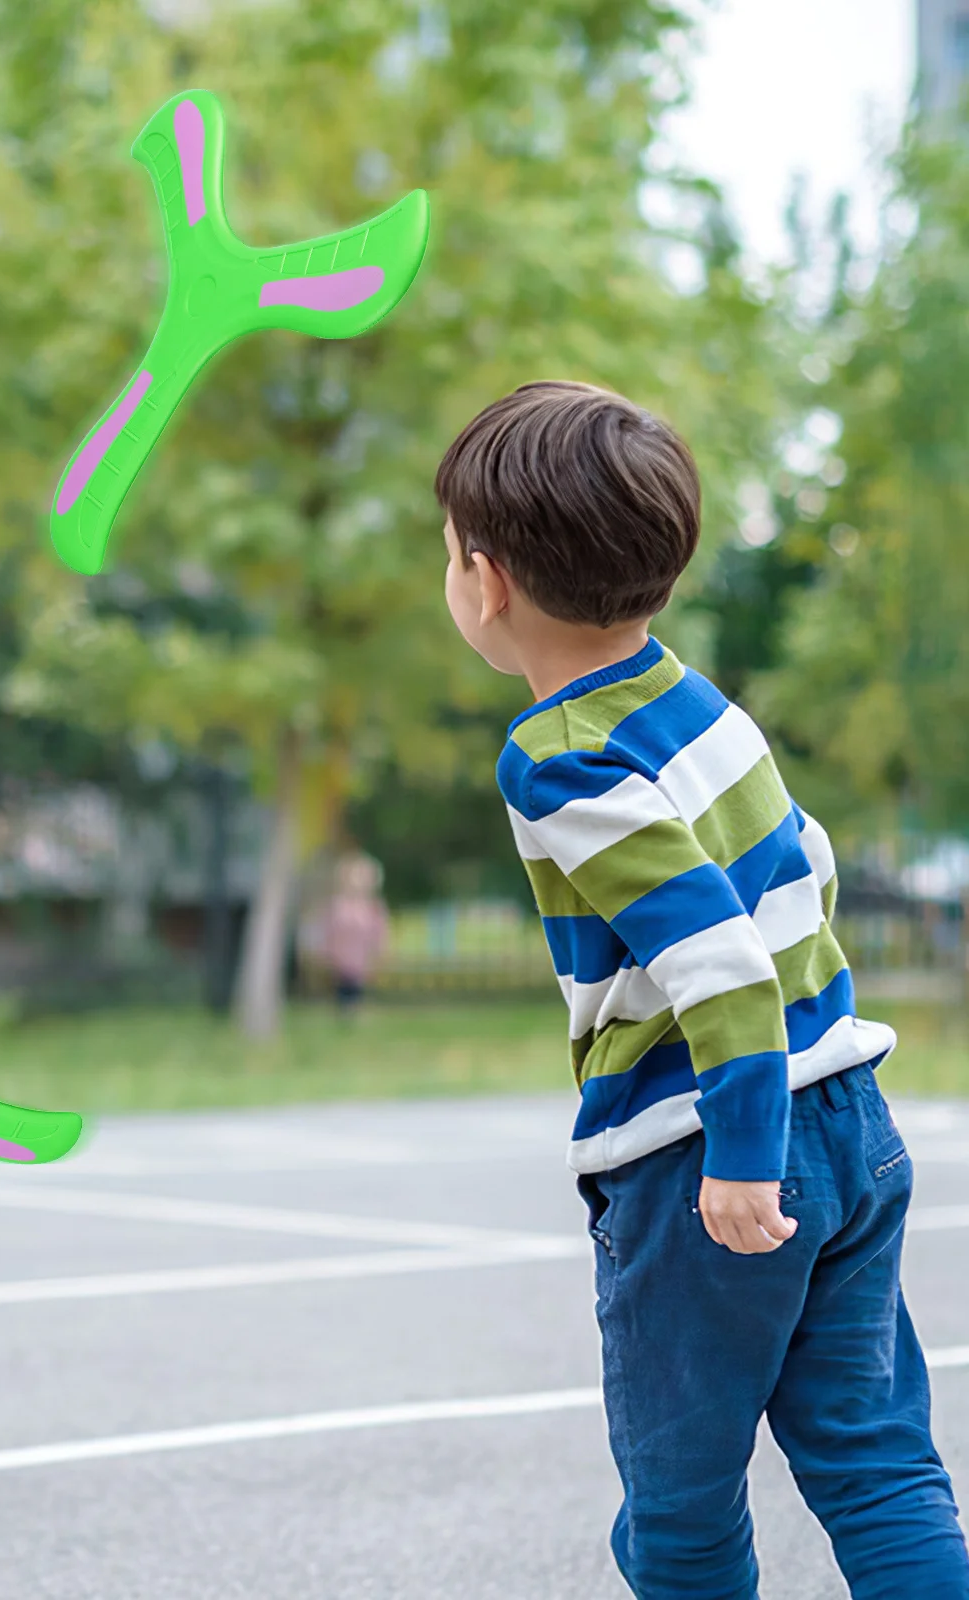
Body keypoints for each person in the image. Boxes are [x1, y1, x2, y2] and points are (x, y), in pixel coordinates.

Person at [436, 380, 969, 1599]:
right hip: (849, 1113)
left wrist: (740, 1148)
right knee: (877, 1463)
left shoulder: (560, 753)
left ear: (488, 579)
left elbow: (716, 957)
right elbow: (808, 856)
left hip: (706, 1151)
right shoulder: (692, 697)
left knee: (678, 1514)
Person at [321, 852, 388, 1017]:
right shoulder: (338, 905)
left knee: (356, 985)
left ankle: (352, 1012)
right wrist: (327, 951)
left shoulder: (373, 906)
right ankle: (347, 1012)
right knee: (345, 985)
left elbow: (380, 932)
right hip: (341, 955)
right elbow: (330, 930)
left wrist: (380, 951)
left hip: (361, 955)